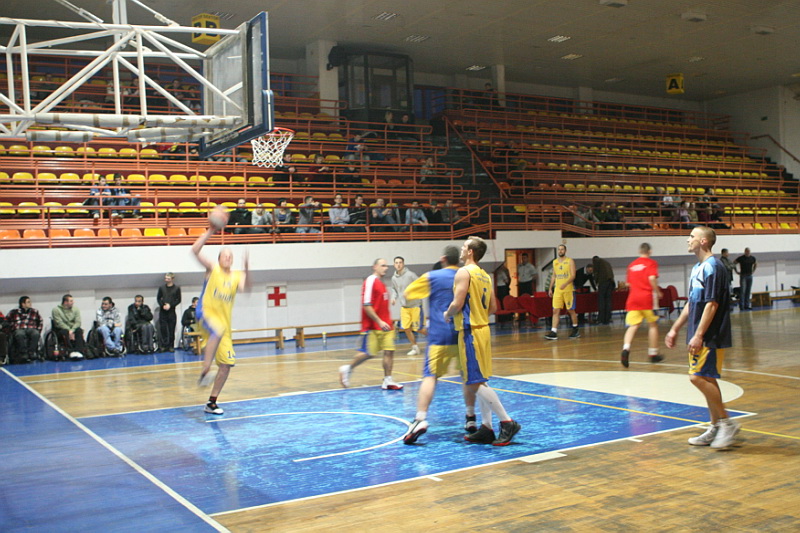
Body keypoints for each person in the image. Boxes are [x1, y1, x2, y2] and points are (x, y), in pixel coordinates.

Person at [665, 226, 739, 449]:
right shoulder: (698, 267)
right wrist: (675, 328)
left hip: (710, 334)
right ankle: (715, 426)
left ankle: (727, 423)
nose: (688, 240)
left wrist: (699, 335)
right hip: (698, 333)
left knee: (696, 377)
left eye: (692, 236)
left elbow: (712, 304)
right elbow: (692, 303)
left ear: (704, 241)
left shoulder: (713, 267)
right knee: (706, 378)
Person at [444, 236, 521, 446]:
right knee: (480, 380)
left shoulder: (464, 272)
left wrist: (447, 314)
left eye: (464, 246)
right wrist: (478, 313)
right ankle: (487, 427)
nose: (461, 248)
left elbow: (457, 303)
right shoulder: (485, 275)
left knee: (474, 382)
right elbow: (493, 308)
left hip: (470, 331)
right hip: (484, 330)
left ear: (470, 251)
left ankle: (507, 422)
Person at [403, 246, 470, 444]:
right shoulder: (467, 275)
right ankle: (471, 418)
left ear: (443, 259)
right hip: (462, 333)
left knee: (430, 376)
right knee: (466, 376)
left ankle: (420, 418)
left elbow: (408, 294)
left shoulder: (432, 276)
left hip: (439, 334)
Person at [193, 223, 249, 415]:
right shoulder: (212, 269)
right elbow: (195, 250)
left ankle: (211, 402)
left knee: (226, 366)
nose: (228, 258)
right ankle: (205, 369)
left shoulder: (236, 276)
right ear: (218, 259)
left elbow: (246, 288)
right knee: (216, 330)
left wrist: (247, 268)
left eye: (230, 256)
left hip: (224, 327)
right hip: (205, 314)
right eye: (225, 255)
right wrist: (210, 231)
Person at [338, 258, 403, 391]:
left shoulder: (381, 284)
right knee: (368, 353)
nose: (386, 268)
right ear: (375, 267)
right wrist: (379, 321)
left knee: (389, 351)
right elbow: (367, 305)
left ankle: (387, 380)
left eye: (386, 266)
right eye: (382, 265)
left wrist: (388, 322)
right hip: (373, 327)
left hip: (386, 327)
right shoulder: (370, 281)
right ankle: (348, 368)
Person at [620, 243, 664, 368]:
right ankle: (653, 354)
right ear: (649, 251)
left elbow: (628, 284)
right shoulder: (651, 263)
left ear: (639, 251)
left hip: (633, 299)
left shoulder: (631, 265)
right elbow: (652, 278)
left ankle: (626, 348)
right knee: (653, 325)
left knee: (633, 326)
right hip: (646, 299)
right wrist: (657, 291)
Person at [545, 245, 580, 340]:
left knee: (570, 310)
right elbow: (554, 276)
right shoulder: (555, 262)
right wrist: (550, 288)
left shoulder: (570, 261)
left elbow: (573, 275)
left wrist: (565, 283)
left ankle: (575, 329)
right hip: (558, 290)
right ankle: (553, 331)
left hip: (568, 289)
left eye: (562, 249)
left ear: (565, 251)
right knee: (555, 310)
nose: (560, 251)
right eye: (559, 249)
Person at [391, 256, 423, 356]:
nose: (398, 264)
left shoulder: (410, 275)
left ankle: (437, 340)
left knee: (419, 328)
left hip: (415, 305)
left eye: (400, 262)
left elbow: (420, 284)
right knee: (406, 328)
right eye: (396, 263)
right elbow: (394, 289)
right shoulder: (394, 278)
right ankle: (415, 347)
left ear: (403, 264)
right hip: (404, 307)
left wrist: (411, 293)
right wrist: (393, 297)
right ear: (394, 264)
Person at [7, 296, 43, 363]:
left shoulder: (34, 311)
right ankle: (23, 353)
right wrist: (12, 328)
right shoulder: (14, 312)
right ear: (23, 304)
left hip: (31, 328)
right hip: (19, 328)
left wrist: (38, 330)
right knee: (20, 334)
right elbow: (7, 321)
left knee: (35, 333)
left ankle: (32, 352)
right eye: (28, 302)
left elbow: (40, 321)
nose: (30, 303)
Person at [52, 294, 87, 359]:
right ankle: (70, 351)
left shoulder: (76, 309)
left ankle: (79, 351)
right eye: (71, 301)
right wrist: (69, 330)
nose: (73, 302)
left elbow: (78, 322)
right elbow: (59, 323)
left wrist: (72, 330)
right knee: (65, 332)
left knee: (79, 330)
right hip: (61, 329)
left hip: (72, 328)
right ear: (65, 302)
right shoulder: (56, 310)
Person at [156, 272, 181, 352]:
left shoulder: (176, 288)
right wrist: (162, 305)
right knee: (163, 329)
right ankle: (164, 346)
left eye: (168, 278)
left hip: (171, 311)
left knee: (171, 329)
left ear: (172, 279)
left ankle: (171, 346)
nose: (166, 280)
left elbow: (178, 300)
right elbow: (159, 298)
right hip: (163, 311)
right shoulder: (161, 288)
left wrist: (171, 305)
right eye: (165, 278)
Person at [593, 255, 615, 324]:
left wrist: (596, 283)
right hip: (610, 282)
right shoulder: (606, 262)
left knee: (601, 301)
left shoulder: (597, 261)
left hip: (603, 282)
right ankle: (608, 318)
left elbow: (596, 273)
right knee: (608, 301)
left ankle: (601, 319)